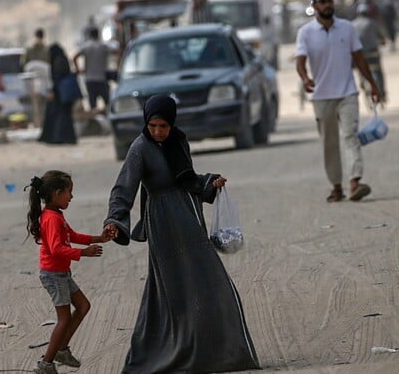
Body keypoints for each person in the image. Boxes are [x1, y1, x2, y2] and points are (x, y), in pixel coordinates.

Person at [103, 95, 260, 373]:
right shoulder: (140, 148)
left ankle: (220, 354)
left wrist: (209, 183)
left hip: (190, 218)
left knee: (210, 283)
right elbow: (123, 188)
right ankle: (162, 355)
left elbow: (187, 179)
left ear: (172, 123)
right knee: (173, 290)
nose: (158, 131)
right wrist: (115, 220)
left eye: (163, 126)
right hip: (164, 225)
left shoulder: (179, 141)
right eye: (153, 125)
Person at [25, 170, 117, 374]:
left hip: (61, 273)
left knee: (83, 306)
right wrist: (84, 253)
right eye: (69, 192)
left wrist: (98, 238)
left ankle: (62, 350)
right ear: (57, 193)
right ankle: (46, 363)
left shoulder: (56, 214)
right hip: (53, 274)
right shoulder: (51, 218)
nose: (72, 197)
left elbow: (71, 235)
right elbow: (56, 249)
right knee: (64, 319)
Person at [296, 0, 380, 203]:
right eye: (323, 2)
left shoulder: (347, 28)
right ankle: (336, 186)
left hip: (347, 92)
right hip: (321, 96)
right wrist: (306, 79)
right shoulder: (305, 33)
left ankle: (355, 182)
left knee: (351, 135)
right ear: (314, 6)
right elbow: (300, 62)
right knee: (329, 143)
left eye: (330, 1)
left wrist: (372, 84)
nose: (327, 5)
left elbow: (359, 58)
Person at [38, 43, 77, 144]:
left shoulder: (58, 62)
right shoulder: (63, 60)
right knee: (65, 117)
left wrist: (52, 91)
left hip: (61, 94)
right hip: (64, 94)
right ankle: (66, 138)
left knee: (61, 117)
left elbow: (57, 78)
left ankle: (59, 138)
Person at [352, 2, 387, 105]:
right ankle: (383, 94)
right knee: (379, 72)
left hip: (360, 55)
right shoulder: (372, 23)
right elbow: (382, 38)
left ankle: (363, 84)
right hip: (373, 53)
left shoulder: (352, 25)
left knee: (360, 70)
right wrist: (382, 41)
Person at [73, 27, 109, 113]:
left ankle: (95, 122)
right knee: (108, 103)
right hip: (101, 78)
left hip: (89, 79)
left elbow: (74, 57)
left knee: (93, 105)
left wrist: (79, 69)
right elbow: (116, 51)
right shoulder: (103, 46)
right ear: (98, 35)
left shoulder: (86, 46)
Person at [21, 28, 50, 127]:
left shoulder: (29, 49)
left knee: (37, 103)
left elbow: (23, 63)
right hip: (41, 80)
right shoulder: (45, 49)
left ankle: (39, 124)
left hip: (35, 81)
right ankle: (40, 124)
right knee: (39, 103)